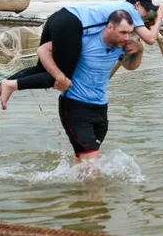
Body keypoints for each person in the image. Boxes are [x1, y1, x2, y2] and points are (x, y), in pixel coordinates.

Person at [0, 0, 163, 114]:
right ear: (137, 5)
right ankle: (11, 86)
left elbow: (125, 35)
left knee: (42, 70)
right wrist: (159, 17)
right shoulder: (129, 10)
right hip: (70, 25)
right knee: (59, 77)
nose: (145, 15)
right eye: (146, 10)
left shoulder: (119, 12)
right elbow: (150, 39)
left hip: (58, 18)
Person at [57, 10, 143, 170]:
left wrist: (140, 50)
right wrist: (57, 77)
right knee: (93, 164)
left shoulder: (121, 47)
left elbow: (131, 66)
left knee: (84, 159)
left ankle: (75, 193)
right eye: (123, 32)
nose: (126, 38)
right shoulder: (85, 40)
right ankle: (95, 194)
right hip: (75, 106)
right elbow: (51, 54)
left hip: (100, 108)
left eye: (129, 33)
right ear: (110, 27)